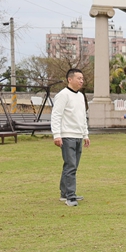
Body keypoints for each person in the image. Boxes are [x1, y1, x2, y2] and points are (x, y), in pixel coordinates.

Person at [50, 69, 90, 207]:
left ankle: (64, 193)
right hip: (67, 136)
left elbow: (82, 116)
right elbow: (56, 115)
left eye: (82, 78)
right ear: (70, 79)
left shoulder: (80, 96)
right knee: (70, 165)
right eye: (79, 78)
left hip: (78, 135)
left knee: (72, 165)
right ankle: (70, 196)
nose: (81, 81)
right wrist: (57, 135)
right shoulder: (63, 95)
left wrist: (85, 134)